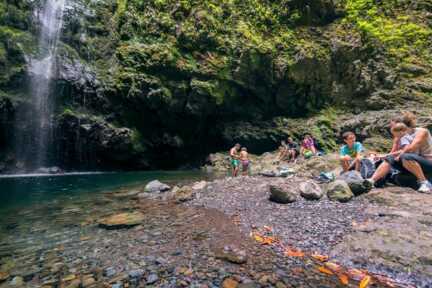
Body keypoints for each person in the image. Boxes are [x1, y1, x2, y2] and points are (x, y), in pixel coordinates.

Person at [368, 112, 432, 193]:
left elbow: (412, 148)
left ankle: (424, 183)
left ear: (401, 125)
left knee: (405, 156)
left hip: (428, 163)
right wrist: (386, 155)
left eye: (393, 125)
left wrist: (399, 152)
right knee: (390, 158)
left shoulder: (422, 131)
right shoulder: (401, 135)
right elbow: (396, 152)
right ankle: (371, 181)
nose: (391, 127)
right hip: (410, 163)